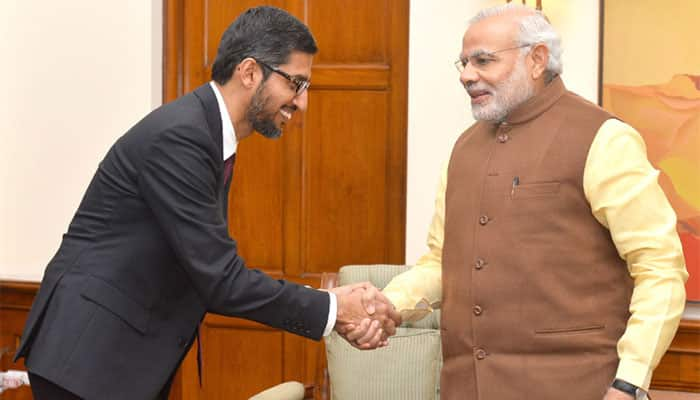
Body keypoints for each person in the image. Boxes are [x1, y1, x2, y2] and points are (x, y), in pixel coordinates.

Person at [15, 6, 399, 400]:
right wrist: (332, 309)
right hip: (89, 358)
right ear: (249, 72)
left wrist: (332, 306)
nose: (301, 103)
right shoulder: (181, 137)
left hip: (114, 358)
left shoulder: (205, 133)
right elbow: (221, 280)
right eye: (295, 83)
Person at [380, 4, 688, 400]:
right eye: (463, 62)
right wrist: (387, 305)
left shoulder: (604, 138)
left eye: (483, 61)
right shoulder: (464, 148)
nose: (466, 75)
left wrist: (629, 382)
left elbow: (659, 267)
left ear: (537, 59)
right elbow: (442, 263)